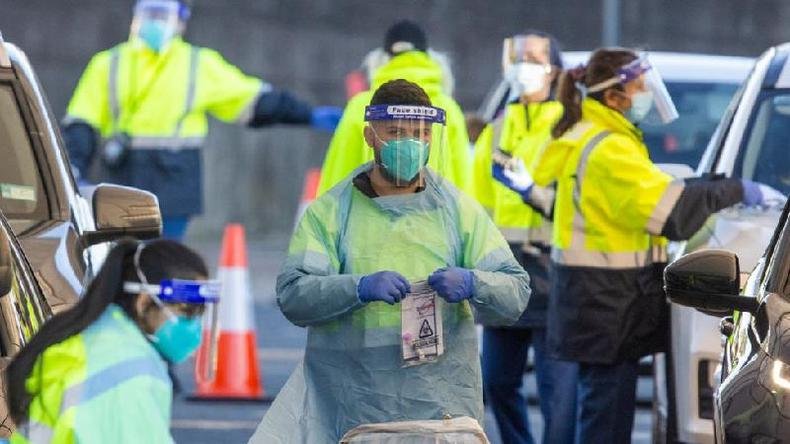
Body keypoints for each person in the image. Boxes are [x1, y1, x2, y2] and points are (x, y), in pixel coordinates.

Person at [249, 79, 531, 443]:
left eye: (419, 133)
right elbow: (294, 295)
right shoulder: (332, 212)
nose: (410, 143)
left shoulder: (457, 211)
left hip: (442, 410)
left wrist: (475, 283)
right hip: (357, 408)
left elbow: (515, 291)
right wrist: (358, 288)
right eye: (396, 132)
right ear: (370, 136)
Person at [523, 48, 763, 442]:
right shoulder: (611, 149)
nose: (645, 95)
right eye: (639, 87)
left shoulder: (596, 137)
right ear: (614, 96)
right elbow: (674, 216)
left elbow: (653, 193)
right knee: (606, 420)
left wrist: (706, 184)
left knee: (602, 412)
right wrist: (734, 189)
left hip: (594, 299)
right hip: (608, 303)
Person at [62, 0, 342, 240]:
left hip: (175, 180)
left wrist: (306, 114)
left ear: (182, 22)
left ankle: (161, 304)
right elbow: (82, 122)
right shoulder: (108, 64)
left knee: (165, 259)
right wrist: (75, 166)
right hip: (126, 176)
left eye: (163, 14)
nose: (154, 22)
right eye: (149, 13)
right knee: (120, 258)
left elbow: (251, 99)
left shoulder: (197, 64)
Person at [6, 239, 220, 443]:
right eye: (187, 312)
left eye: (200, 313)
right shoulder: (130, 370)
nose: (195, 325)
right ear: (144, 303)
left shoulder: (97, 338)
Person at [473, 32, 577, 444]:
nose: (523, 65)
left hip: (554, 273)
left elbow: (575, 203)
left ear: (554, 68)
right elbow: (475, 207)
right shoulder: (496, 131)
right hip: (503, 275)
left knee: (558, 392)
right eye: (517, 57)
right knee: (497, 381)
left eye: (533, 58)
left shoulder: (568, 130)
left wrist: (532, 190)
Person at [316, 20, 470, 196]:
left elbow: (338, 176)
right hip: (436, 218)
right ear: (429, 57)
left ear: (383, 59)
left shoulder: (361, 106)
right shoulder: (447, 109)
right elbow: (464, 181)